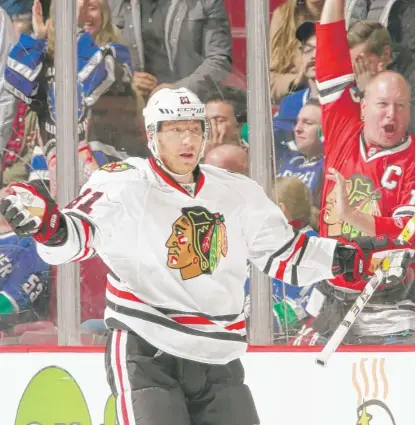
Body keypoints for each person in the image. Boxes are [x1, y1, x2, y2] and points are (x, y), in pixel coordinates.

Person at [0, 87, 411, 425]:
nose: (187, 140)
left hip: (218, 359)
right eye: (174, 130)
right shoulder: (123, 185)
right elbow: (76, 237)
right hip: (148, 351)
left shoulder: (238, 191)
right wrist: (48, 225)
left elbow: (287, 255)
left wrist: (349, 259)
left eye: (194, 129)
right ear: (151, 135)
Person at [292, 0, 415, 346]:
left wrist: (351, 215)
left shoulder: (413, 161)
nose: (391, 114)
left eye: (401, 106)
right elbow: (331, 46)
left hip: (392, 304)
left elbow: (409, 231)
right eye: (382, 105)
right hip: (330, 294)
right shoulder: (342, 123)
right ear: (362, 106)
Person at [108, 0, 232, 101]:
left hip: (190, 106)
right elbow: (97, 57)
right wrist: (126, 79)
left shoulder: (206, 2)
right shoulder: (113, 4)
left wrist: (178, 89)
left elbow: (220, 61)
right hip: (133, 107)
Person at [275, 99, 324, 208]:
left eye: (308, 123)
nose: (297, 129)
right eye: (297, 122)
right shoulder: (290, 158)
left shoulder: (328, 166)